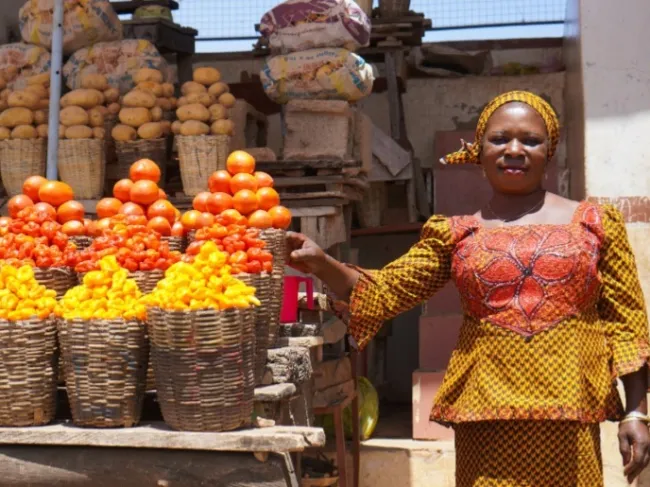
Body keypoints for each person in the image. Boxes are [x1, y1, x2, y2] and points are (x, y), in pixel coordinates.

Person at [285, 91, 650, 486]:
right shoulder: (458, 233)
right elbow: (388, 289)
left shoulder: (593, 224)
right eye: (499, 139)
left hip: (570, 413)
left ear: (550, 149)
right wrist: (322, 263)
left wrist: (636, 412)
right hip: (485, 414)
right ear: (479, 151)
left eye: (530, 140)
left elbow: (626, 322)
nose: (514, 150)